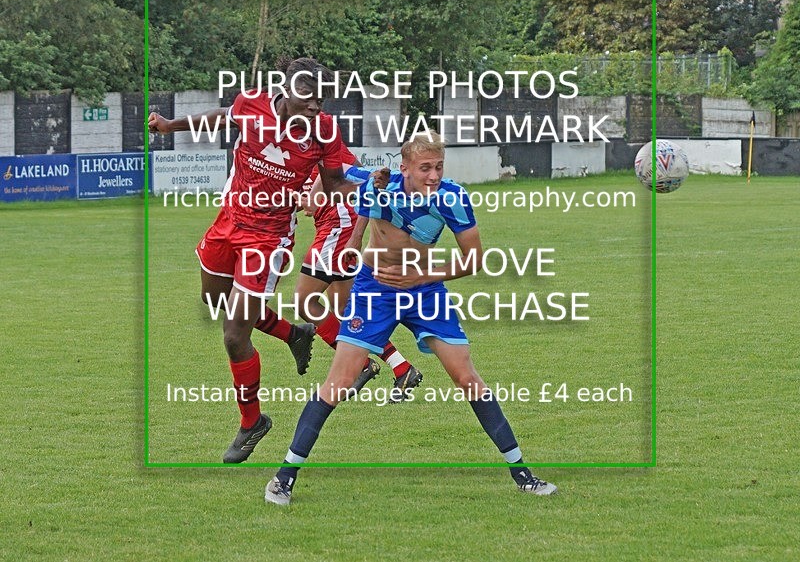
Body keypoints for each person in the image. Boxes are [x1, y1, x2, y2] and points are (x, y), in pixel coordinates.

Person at [264, 136, 557, 505]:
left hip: (425, 291)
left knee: (466, 377)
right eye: (425, 168)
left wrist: (423, 277)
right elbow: (332, 170)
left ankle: (522, 474)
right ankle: (284, 477)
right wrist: (317, 200)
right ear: (405, 168)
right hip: (375, 290)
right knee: (338, 382)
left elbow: (474, 260)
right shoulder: (378, 181)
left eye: (438, 167)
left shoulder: (452, 198)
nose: (433, 175)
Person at [148, 56, 375, 463]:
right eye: (308, 97)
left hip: (267, 239)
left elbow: (340, 177)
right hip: (228, 221)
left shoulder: (323, 131)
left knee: (235, 334)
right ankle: (293, 334)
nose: (316, 107)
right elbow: (222, 116)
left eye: (322, 99)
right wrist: (170, 126)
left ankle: (251, 422)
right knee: (214, 299)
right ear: (285, 91)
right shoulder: (254, 104)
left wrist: (368, 184)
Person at [293, 150, 423, 400]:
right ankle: (402, 367)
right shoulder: (296, 146)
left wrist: (354, 233)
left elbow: (360, 184)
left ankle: (361, 364)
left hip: (337, 226)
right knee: (346, 311)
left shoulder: (322, 140)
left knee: (303, 301)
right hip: (337, 226)